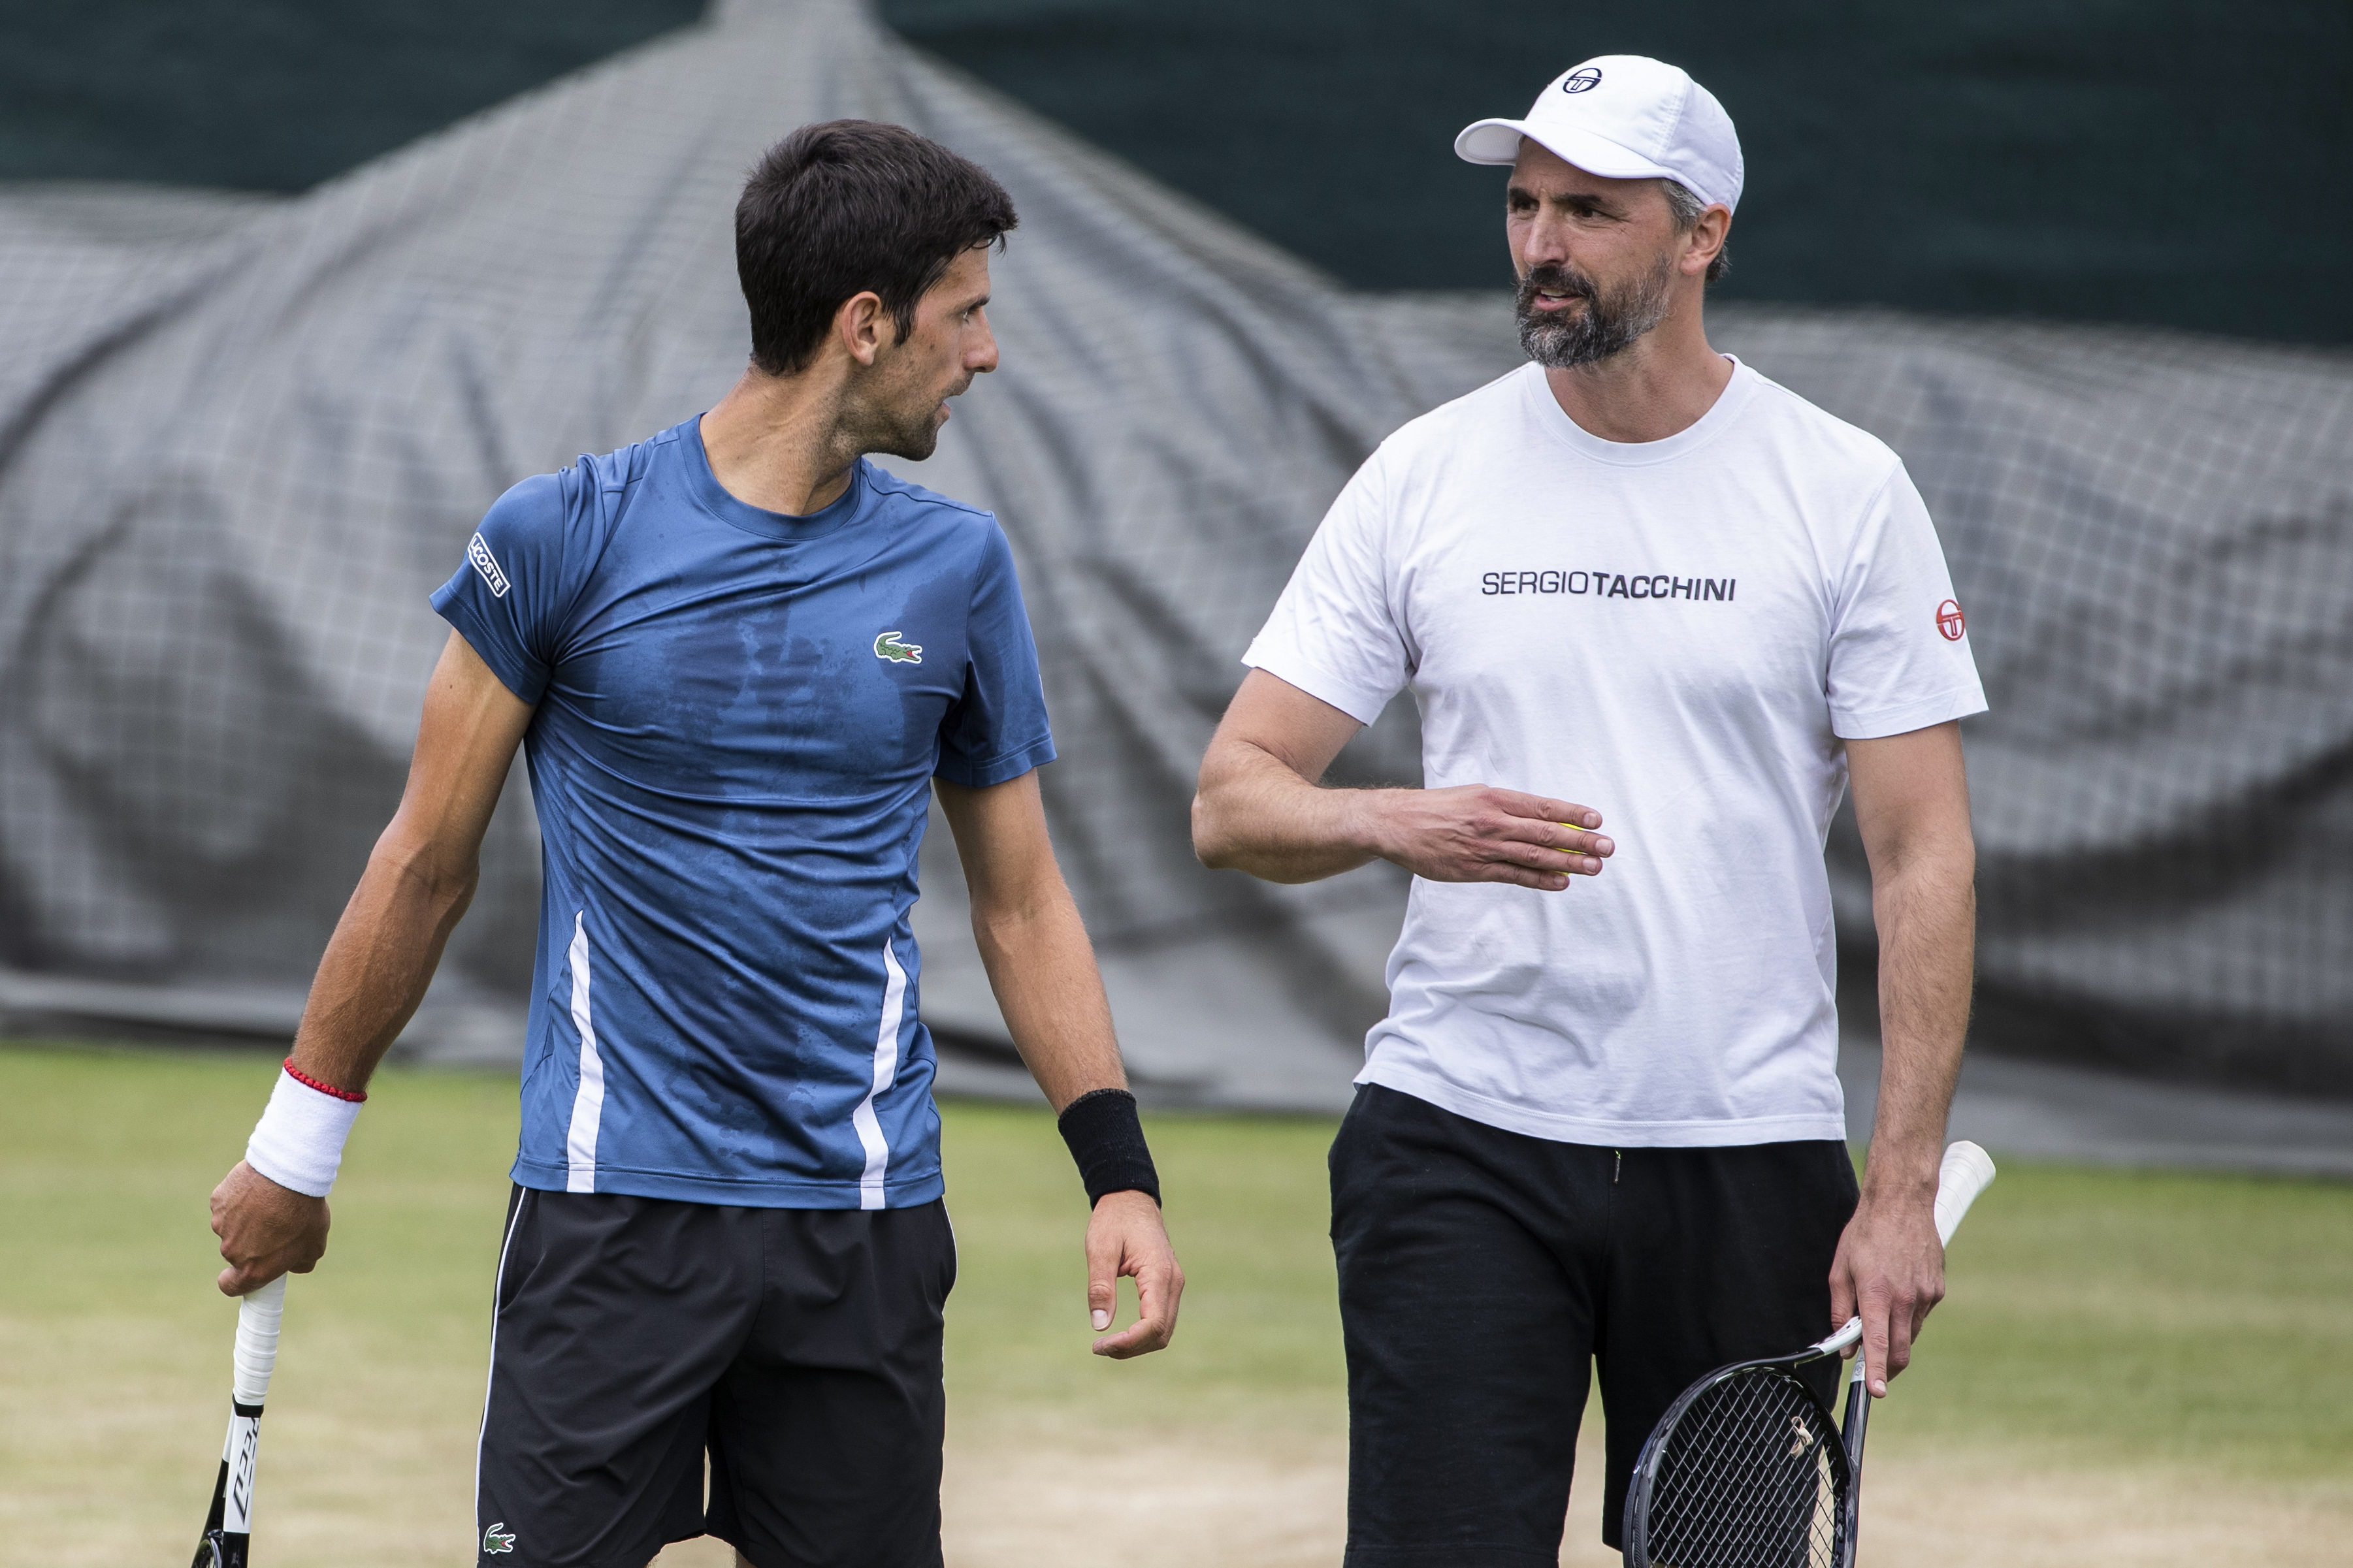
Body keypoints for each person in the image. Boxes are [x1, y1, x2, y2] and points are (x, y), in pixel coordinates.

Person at [208, 119, 1182, 1568]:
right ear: (865, 325)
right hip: (609, 1229)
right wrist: (298, 1151)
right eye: (965, 313)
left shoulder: (959, 569)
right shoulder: (560, 537)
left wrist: (1121, 1176)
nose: (984, 353)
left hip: (862, 1229)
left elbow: (1024, 904)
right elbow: (423, 860)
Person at [1192, 54, 1983, 1563]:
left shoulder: (1845, 489)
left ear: (1702, 235)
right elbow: (1233, 798)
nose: (1541, 243)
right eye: (1522, 204)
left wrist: (1896, 1196)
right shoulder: (1425, 474)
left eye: (1590, 210)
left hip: (1748, 1160)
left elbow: (1922, 848)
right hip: (1458, 1138)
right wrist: (1398, 821)